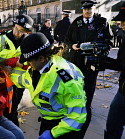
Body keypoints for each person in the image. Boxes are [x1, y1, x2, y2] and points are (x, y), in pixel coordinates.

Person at [11, 32, 87, 139]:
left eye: (29, 60)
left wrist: (53, 133)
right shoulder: (34, 70)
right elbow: (21, 80)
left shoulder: (66, 78)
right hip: (48, 120)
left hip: (67, 125)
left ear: (41, 58)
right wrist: (6, 73)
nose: (27, 64)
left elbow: (77, 116)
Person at [64, 0, 113, 137]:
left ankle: (86, 110)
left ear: (94, 8)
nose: (87, 11)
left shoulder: (101, 23)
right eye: (85, 9)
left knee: (89, 87)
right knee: (75, 86)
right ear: (82, 10)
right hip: (77, 61)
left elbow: (109, 41)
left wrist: (101, 51)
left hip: (93, 62)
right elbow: (67, 39)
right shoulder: (76, 22)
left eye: (90, 8)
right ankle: (75, 107)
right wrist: (72, 45)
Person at [0, 14, 34, 126]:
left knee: (12, 112)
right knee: (4, 110)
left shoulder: (29, 41)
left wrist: (16, 62)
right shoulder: (1, 38)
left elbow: (32, 61)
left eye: (21, 31)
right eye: (16, 28)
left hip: (18, 84)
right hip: (2, 82)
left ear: (27, 31)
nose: (17, 33)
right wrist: (2, 64)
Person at [105, 2, 125, 138]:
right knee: (113, 125)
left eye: (124, 21)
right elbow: (121, 64)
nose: (122, 24)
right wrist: (102, 61)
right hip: (122, 91)